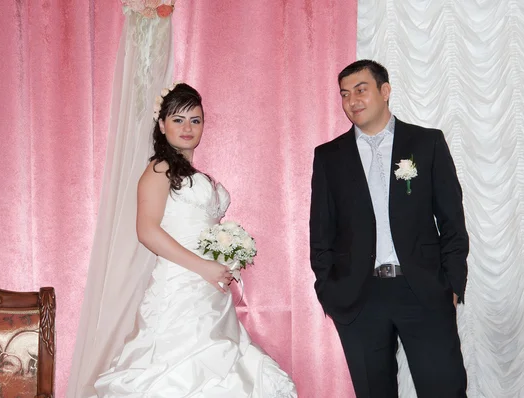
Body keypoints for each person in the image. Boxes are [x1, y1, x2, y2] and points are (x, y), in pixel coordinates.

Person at [94, 82, 297, 397]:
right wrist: (203, 266)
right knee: (180, 371)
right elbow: (146, 231)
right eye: (178, 119)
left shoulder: (190, 173)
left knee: (222, 366)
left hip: (210, 291)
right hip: (179, 286)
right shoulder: (160, 169)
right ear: (162, 125)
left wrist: (226, 254)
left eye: (195, 120)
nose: (187, 127)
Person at [309, 60, 468, 397]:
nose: (352, 100)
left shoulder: (426, 143)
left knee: (445, 389)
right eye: (344, 93)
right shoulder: (329, 156)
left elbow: (452, 220)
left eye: (361, 89)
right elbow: (320, 232)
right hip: (359, 296)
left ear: (385, 91)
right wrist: (329, 289)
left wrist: (452, 283)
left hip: (423, 290)